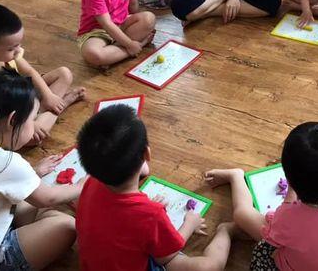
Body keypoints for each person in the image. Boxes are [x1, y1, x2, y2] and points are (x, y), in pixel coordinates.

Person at [75, 105, 236, 271]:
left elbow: (117, 218)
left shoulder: (90, 184)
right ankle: (226, 231)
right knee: (208, 267)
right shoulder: (151, 215)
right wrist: (190, 223)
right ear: (147, 154)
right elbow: (165, 257)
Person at [205, 122, 318, 271]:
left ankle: (236, 177)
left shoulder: (287, 217)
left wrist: (290, 195)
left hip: (299, 263)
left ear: (289, 178)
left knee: (242, 215)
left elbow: (276, 231)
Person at [0, 70, 83, 270]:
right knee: (65, 225)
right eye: (33, 119)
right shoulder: (4, 162)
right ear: (13, 120)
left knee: (32, 206)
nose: (34, 124)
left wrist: (33, 172)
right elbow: (48, 198)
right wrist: (82, 185)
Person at [0, 4, 85, 142]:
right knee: (32, 137)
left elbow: (30, 71)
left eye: (19, 44)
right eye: (11, 48)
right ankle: (62, 104)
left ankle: (48, 108)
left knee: (64, 74)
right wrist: (30, 124)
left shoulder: (9, 53)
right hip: (6, 113)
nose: (18, 50)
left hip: (22, 94)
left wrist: (48, 95)